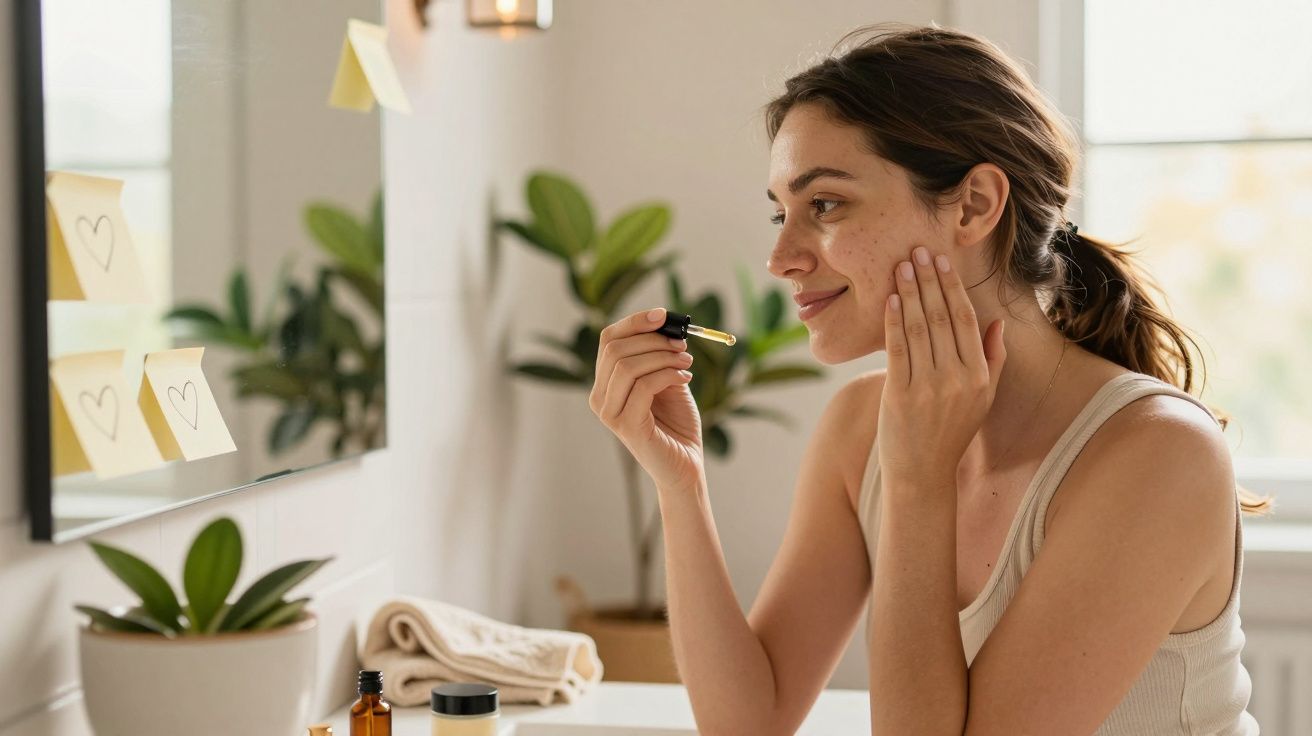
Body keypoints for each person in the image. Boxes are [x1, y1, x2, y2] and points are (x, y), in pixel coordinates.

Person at [587, 22, 1267, 736]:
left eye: (824, 205)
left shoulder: (1158, 455)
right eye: (779, 212)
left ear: (973, 205)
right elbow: (748, 724)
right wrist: (680, 484)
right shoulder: (859, 426)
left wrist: (918, 481)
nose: (780, 257)